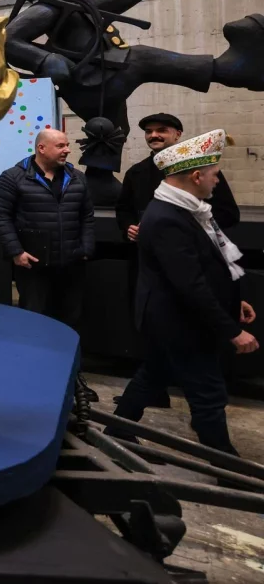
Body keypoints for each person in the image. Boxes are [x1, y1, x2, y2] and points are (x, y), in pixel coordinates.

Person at [0, 0, 264, 178]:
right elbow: (7, 39)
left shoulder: (76, 3)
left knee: (115, 132)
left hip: (99, 77)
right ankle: (228, 70)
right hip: (90, 81)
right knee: (141, 59)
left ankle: (99, 178)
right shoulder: (47, 8)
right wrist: (45, 60)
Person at [110, 129, 256, 455]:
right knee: (209, 395)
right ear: (196, 176)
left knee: (153, 375)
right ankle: (228, 469)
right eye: (214, 174)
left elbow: (206, 268)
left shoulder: (188, 210)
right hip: (179, 322)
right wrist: (232, 331)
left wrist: (235, 300)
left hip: (173, 318)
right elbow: (190, 284)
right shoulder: (168, 218)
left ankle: (117, 431)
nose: (217, 181)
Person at [0, 127, 97, 398]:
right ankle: (33, 378)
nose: (67, 150)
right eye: (61, 146)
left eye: (67, 145)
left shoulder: (77, 178)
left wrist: (87, 247)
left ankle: (72, 380)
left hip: (72, 264)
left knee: (71, 322)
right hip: (33, 266)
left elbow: (87, 216)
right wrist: (16, 251)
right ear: (41, 148)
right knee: (34, 322)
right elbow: (0, 216)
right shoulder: (13, 177)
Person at [117, 112, 239, 235]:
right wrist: (129, 227)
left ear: (178, 134)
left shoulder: (203, 169)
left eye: (161, 130)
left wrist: (185, 227)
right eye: (148, 131)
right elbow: (124, 209)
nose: (153, 135)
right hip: (147, 245)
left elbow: (228, 214)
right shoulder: (135, 172)